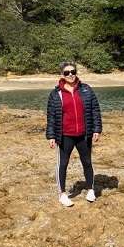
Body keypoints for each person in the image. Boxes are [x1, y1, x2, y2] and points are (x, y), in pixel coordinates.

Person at [45, 61, 102, 206]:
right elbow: (51, 116)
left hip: (84, 134)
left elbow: (95, 110)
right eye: (66, 73)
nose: (70, 75)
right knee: (62, 164)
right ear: (61, 75)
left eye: (73, 72)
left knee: (87, 162)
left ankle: (90, 190)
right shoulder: (55, 94)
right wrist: (51, 135)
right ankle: (62, 194)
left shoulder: (86, 90)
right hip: (65, 135)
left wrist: (97, 129)